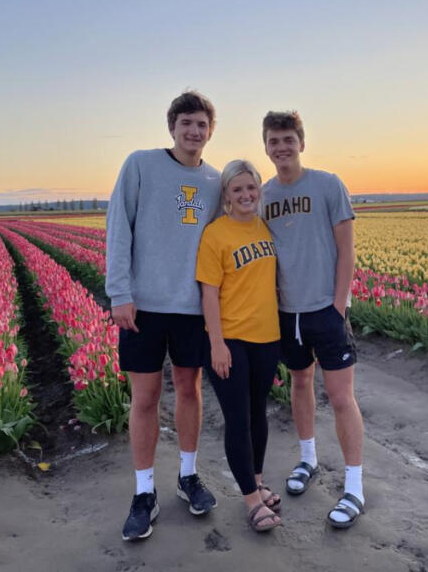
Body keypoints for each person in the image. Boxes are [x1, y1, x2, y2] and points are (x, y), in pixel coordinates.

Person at [106, 91, 221, 542]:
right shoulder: (140, 165)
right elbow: (120, 226)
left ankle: (188, 476)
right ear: (171, 126)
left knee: (190, 390)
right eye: (186, 123)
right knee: (146, 398)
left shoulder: (214, 180)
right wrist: (120, 292)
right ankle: (143, 492)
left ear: (210, 132)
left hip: (191, 307)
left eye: (202, 125)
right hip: (144, 307)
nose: (194, 131)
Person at [261, 110, 365, 529]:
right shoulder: (263, 194)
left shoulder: (327, 184)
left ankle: (354, 487)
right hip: (286, 313)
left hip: (325, 309)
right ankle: (308, 460)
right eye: (274, 141)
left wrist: (338, 307)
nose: (282, 147)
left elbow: (347, 250)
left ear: (301, 143)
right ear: (266, 147)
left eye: (289, 139)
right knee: (299, 382)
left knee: (341, 398)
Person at [196, 159, 282, 532]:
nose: (246, 195)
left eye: (251, 188)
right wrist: (216, 344)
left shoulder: (266, 227)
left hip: (267, 336)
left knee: (258, 413)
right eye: (237, 190)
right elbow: (209, 294)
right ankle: (250, 499)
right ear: (227, 196)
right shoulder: (216, 234)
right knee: (238, 418)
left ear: (259, 190)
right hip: (230, 339)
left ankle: (258, 480)